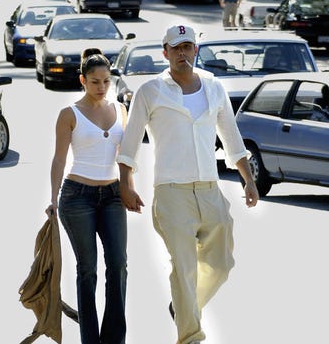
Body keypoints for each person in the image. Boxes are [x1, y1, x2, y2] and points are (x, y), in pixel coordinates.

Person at [117, 25, 259, 344]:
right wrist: (126, 182)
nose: (183, 53)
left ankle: (182, 306)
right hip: (171, 193)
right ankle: (190, 336)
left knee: (221, 264)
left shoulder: (213, 87)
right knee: (183, 268)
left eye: (188, 47)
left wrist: (247, 179)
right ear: (165, 52)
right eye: (176, 48)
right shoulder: (150, 91)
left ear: (196, 50)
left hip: (210, 189)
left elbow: (231, 137)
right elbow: (129, 143)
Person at [46, 48, 128, 344]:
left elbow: (126, 156)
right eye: (95, 81)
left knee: (118, 264)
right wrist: (53, 199)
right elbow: (58, 159)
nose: (101, 87)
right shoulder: (69, 114)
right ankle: (90, 339)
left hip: (113, 195)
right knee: (88, 269)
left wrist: (129, 187)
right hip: (77, 197)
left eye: (106, 81)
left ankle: (114, 338)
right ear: (83, 80)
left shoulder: (120, 109)